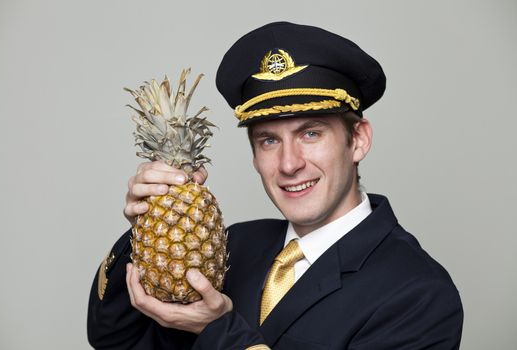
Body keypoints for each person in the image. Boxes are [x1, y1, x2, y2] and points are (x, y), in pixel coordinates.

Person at [88, 22, 463, 349]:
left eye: (311, 133)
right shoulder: (233, 246)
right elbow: (116, 338)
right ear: (254, 154)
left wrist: (219, 330)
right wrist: (147, 221)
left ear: (359, 140)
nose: (289, 164)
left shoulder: (418, 292)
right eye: (269, 140)